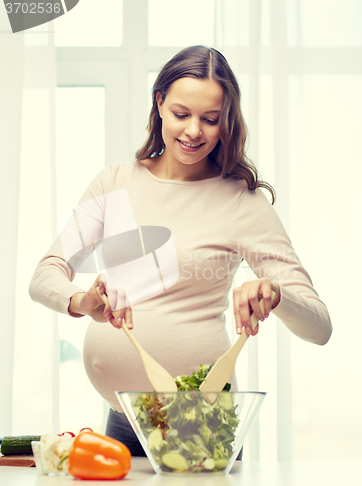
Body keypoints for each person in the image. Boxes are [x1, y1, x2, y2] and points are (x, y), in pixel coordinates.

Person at [29, 45, 332, 456]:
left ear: (227, 120)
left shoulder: (240, 202)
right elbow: (46, 273)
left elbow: (320, 328)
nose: (194, 131)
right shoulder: (114, 182)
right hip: (121, 419)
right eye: (181, 114)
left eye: (210, 119)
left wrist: (275, 295)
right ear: (159, 103)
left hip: (199, 425)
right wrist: (83, 300)